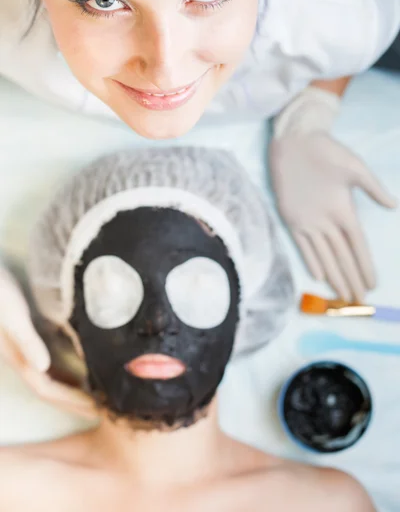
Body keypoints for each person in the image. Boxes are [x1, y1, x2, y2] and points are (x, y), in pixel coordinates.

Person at [0, 0, 399, 370]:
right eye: (105, 0)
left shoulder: (342, 0)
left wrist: (312, 112)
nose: (165, 71)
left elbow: (353, 25)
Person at [0, 148, 374, 511]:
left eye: (199, 290)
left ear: (243, 314)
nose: (157, 322)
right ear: (70, 318)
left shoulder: (325, 504)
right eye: (112, 291)